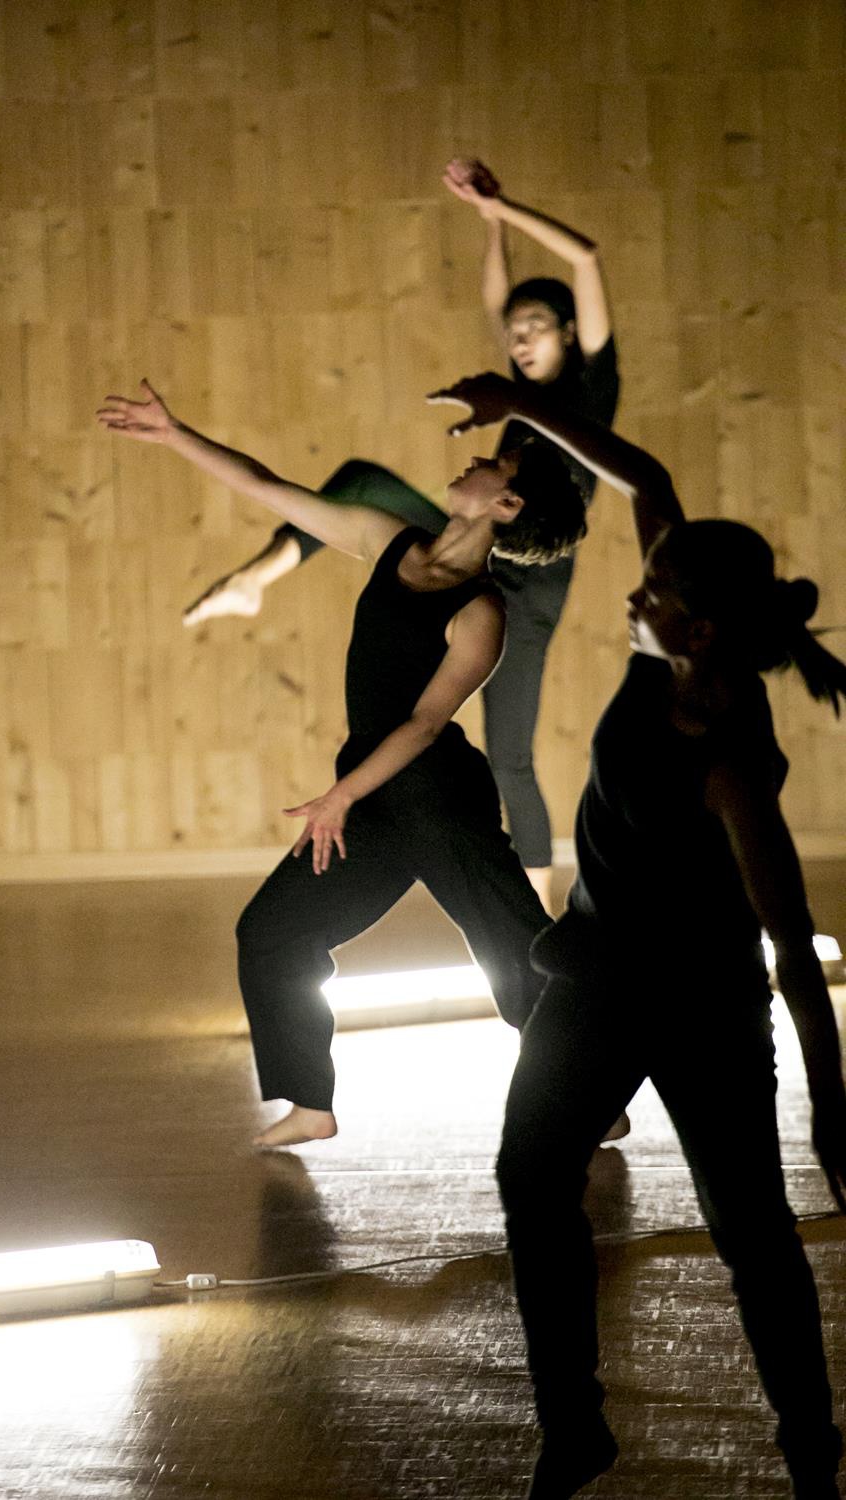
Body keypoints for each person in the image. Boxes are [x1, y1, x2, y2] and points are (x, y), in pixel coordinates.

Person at [431, 372, 846, 1499]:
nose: (634, 589)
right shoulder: (668, 645)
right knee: (531, 1177)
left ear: (698, 628)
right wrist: (518, 403)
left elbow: (793, 940)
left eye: (652, 589)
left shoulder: (726, 759)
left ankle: (813, 1455)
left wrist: (831, 1106)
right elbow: (648, 476)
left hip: (701, 1006)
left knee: (750, 1231)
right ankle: (575, 1430)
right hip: (593, 982)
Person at [97, 379, 586, 1148]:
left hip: (438, 802)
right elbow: (269, 488)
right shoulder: (389, 541)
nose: (475, 460)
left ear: (507, 504)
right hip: (373, 795)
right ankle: (309, 1104)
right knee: (273, 931)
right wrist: (174, 434)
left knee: (517, 954)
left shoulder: (482, 612)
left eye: (496, 465)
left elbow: (426, 724)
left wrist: (339, 797)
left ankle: (593, 1094)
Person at [182, 158, 619, 913]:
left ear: (572, 333)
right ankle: (256, 578)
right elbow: (496, 301)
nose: (518, 338)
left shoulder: (590, 391)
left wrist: (507, 208)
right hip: (471, 544)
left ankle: (542, 914)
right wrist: (487, 223)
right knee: (360, 481)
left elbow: (584, 257)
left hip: (527, 583)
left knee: (510, 754)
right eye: (513, 331)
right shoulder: (515, 397)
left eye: (536, 328)